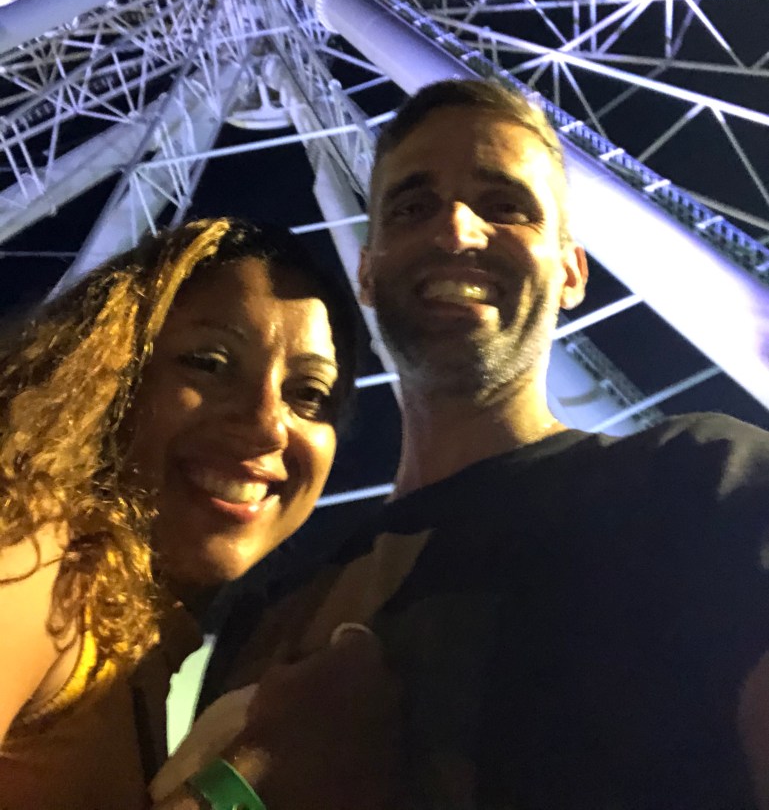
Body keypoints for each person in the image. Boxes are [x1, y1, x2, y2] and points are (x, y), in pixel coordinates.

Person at [199, 79, 769, 809]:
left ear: (571, 271)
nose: (455, 232)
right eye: (412, 208)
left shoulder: (708, 488)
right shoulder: (269, 611)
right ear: (366, 272)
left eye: (505, 205)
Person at [0, 216, 394, 809]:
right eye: (209, 363)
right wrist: (255, 772)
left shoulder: (127, 647)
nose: (267, 424)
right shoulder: (34, 555)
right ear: (111, 374)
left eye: (309, 395)